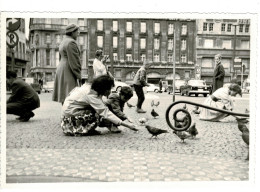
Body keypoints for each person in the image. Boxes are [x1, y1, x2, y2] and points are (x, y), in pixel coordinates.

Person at [61, 75, 137, 136]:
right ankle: (84, 129)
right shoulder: (91, 95)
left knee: (99, 109)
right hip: (70, 121)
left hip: (68, 116)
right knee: (97, 114)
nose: (110, 91)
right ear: (103, 88)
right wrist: (128, 125)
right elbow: (105, 112)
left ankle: (88, 128)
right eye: (109, 89)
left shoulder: (90, 88)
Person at [53, 24, 81, 104]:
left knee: (64, 95)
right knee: (71, 95)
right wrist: (78, 75)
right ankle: (69, 115)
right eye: (77, 31)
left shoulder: (63, 42)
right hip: (68, 69)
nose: (78, 33)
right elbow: (74, 61)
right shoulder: (71, 43)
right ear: (72, 32)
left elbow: (61, 57)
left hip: (62, 68)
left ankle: (65, 114)